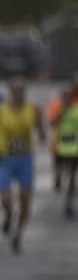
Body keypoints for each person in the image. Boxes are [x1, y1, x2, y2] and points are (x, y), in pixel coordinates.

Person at [0, 78, 46, 253]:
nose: (18, 93)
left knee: (25, 200)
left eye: (21, 90)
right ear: (10, 92)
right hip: (6, 158)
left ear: (24, 92)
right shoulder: (0, 110)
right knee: (6, 198)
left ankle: (18, 233)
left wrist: (41, 135)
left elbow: (41, 132)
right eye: (14, 90)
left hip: (24, 159)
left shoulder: (33, 110)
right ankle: (8, 216)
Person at [55, 82, 78, 218]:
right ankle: (60, 179)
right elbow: (52, 123)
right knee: (62, 174)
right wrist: (61, 113)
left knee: (71, 176)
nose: (66, 99)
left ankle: (69, 201)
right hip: (60, 148)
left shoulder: (76, 111)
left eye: (68, 96)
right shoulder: (59, 109)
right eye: (64, 97)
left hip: (74, 149)